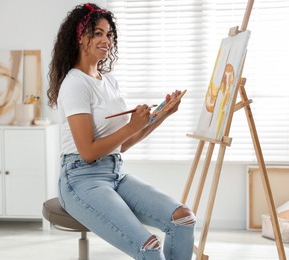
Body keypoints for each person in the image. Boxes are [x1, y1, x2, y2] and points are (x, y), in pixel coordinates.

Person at [47, 3, 196, 260]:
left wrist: (161, 116)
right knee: (148, 246)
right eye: (98, 33)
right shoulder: (74, 83)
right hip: (81, 179)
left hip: (115, 172)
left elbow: (123, 144)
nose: (106, 40)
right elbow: (87, 152)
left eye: (109, 34)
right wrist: (131, 126)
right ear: (81, 38)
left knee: (183, 219)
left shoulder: (109, 82)